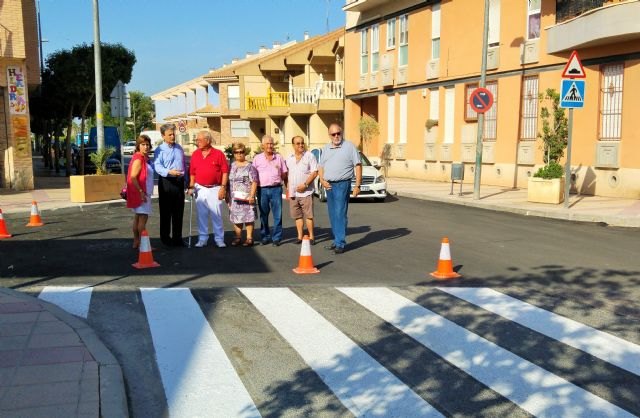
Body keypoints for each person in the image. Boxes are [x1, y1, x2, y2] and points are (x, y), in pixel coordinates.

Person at [317, 123, 362, 254]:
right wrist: (322, 179)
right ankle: (336, 240)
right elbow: (321, 167)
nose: (336, 136)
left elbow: (358, 165)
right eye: (333, 134)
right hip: (329, 185)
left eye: (338, 133)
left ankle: (340, 243)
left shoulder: (349, 146)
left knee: (340, 213)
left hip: (343, 184)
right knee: (332, 214)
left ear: (342, 133)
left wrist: (357, 185)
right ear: (329, 135)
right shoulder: (326, 148)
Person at [187, 130, 229, 248]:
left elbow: (225, 172)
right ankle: (203, 238)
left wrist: (223, 188)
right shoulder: (195, 154)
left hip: (215, 187)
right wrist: (191, 186)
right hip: (200, 188)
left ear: (208, 140)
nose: (197, 142)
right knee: (202, 215)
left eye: (199, 140)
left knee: (216, 214)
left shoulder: (218, 154)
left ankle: (219, 239)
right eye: (197, 140)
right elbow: (192, 173)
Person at [153, 123, 188, 247]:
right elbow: (157, 166)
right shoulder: (159, 150)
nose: (173, 136)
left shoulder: (179, 148)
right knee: (166, 212)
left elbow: (184, 165)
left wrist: (187, 182)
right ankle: (166, 239)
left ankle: (177, 238)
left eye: (174, 134)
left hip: (179, 182)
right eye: (170, 134)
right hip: (167, 182)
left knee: (178, 212)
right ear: (163, 136)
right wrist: (169, 172)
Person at [252, 135, 288, 246]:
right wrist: (252, 193)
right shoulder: (257, 159)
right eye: (267, 143)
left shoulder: (279, 158)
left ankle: (276, 237)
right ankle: (265, 236)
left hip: (276, 189)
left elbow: (285, 173)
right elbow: (253, 176)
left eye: (271, 143)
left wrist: (286, 187)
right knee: (264, 214)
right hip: (262, 189)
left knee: (278, 214)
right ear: (262, 145)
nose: (270, 146)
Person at [285, 135, 318, 245]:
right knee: (297, 216)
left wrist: (305, 184)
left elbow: (314, 172)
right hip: (293, 193)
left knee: (309, 215)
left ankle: (311, 236)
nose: (301, 145)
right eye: (298, 143)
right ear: (293, 145)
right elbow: (286, 175)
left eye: (302, 143)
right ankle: (299, 236)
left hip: (306, 192)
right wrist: (288, 189)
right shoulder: (289, 158)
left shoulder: (310, 156)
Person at [126, 135, 154, 249]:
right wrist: (141, 192)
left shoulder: (142, 157)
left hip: (141, 192)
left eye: (147, 144)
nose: (146, 147)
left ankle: (136, 242)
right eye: (143, 145)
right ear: (138, 146)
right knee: (143, 219)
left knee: (137, 217)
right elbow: (133, 177)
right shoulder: (139, 159)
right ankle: (144, 245)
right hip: (142, 194)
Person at [228, 142, 258, 247]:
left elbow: (254, 181)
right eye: (236, 152)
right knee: (236, 218)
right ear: (234, 153)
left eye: (241, 152)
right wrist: (228, 197)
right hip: (234, 198)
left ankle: (249, 238)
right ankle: (238, 237)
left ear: (244, 153)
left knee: (249, 218)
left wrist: (252, 195)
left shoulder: (250, 166)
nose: (239, 154)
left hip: (247, 197)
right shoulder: (231, 166)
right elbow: (229, 182)